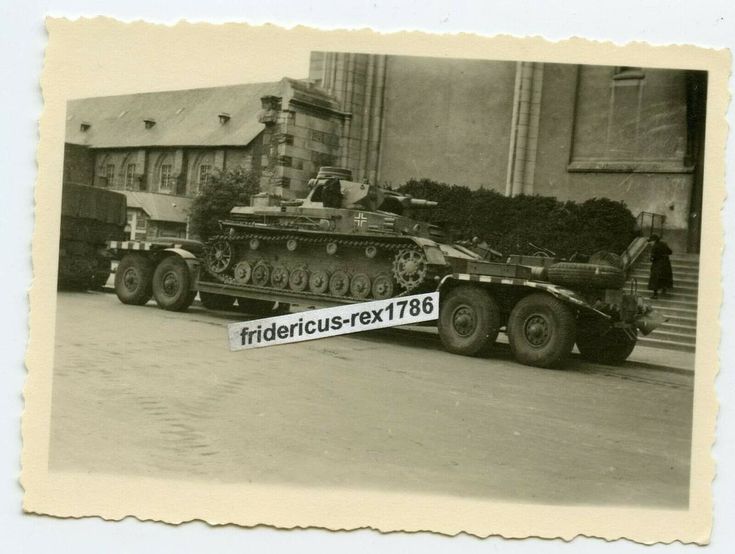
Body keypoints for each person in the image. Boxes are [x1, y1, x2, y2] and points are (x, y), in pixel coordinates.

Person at [648, 234, 673, 299]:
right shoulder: (663, 244)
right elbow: (670, 252)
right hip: (666, 264)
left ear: (654, 241)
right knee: (664, 276)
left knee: (655, 278)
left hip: (657, 264)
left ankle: (655, 294)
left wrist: (651, 258)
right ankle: (664, 289)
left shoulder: (654, 247)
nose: (650, 243)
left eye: (651, 241)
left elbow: (653, 257)